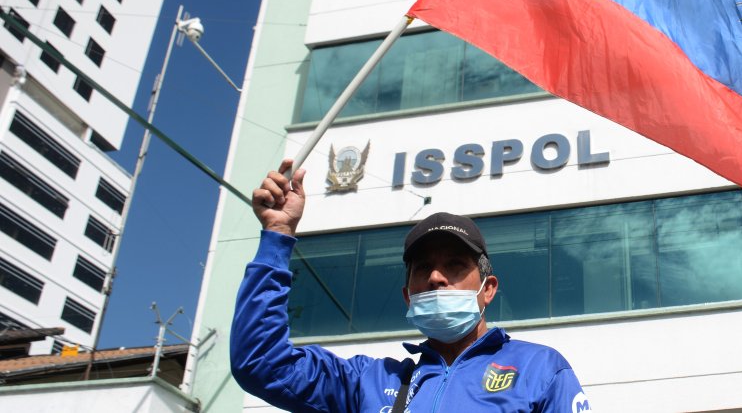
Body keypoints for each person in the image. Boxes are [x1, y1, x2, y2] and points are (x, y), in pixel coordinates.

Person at [230, 159, 592, 412]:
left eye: (454, 265)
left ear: (488, 288)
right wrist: (277, 235)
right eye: (423, 268)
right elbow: (261, 363)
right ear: (408, 296)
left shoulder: (541, 370)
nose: (436, 277)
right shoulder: (366, 383)